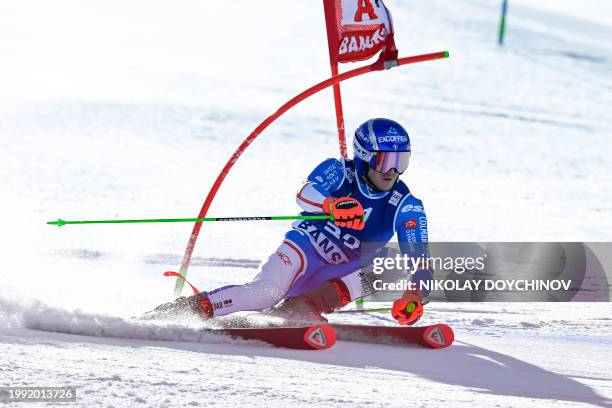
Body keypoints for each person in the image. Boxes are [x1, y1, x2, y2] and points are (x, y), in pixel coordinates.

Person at [151, 118, 432, 325]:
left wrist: (415, 294)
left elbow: (419, 260)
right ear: (364, 157)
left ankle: (301, 307)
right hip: (303, 251)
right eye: (385, 161)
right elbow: (304, 194)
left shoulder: (407, 205)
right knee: (264, 294)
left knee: (389, 267)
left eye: (401, 161)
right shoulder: (338, 170)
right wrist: (331, 204)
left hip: (337, 276)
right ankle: (186, 309)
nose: (393, 171)